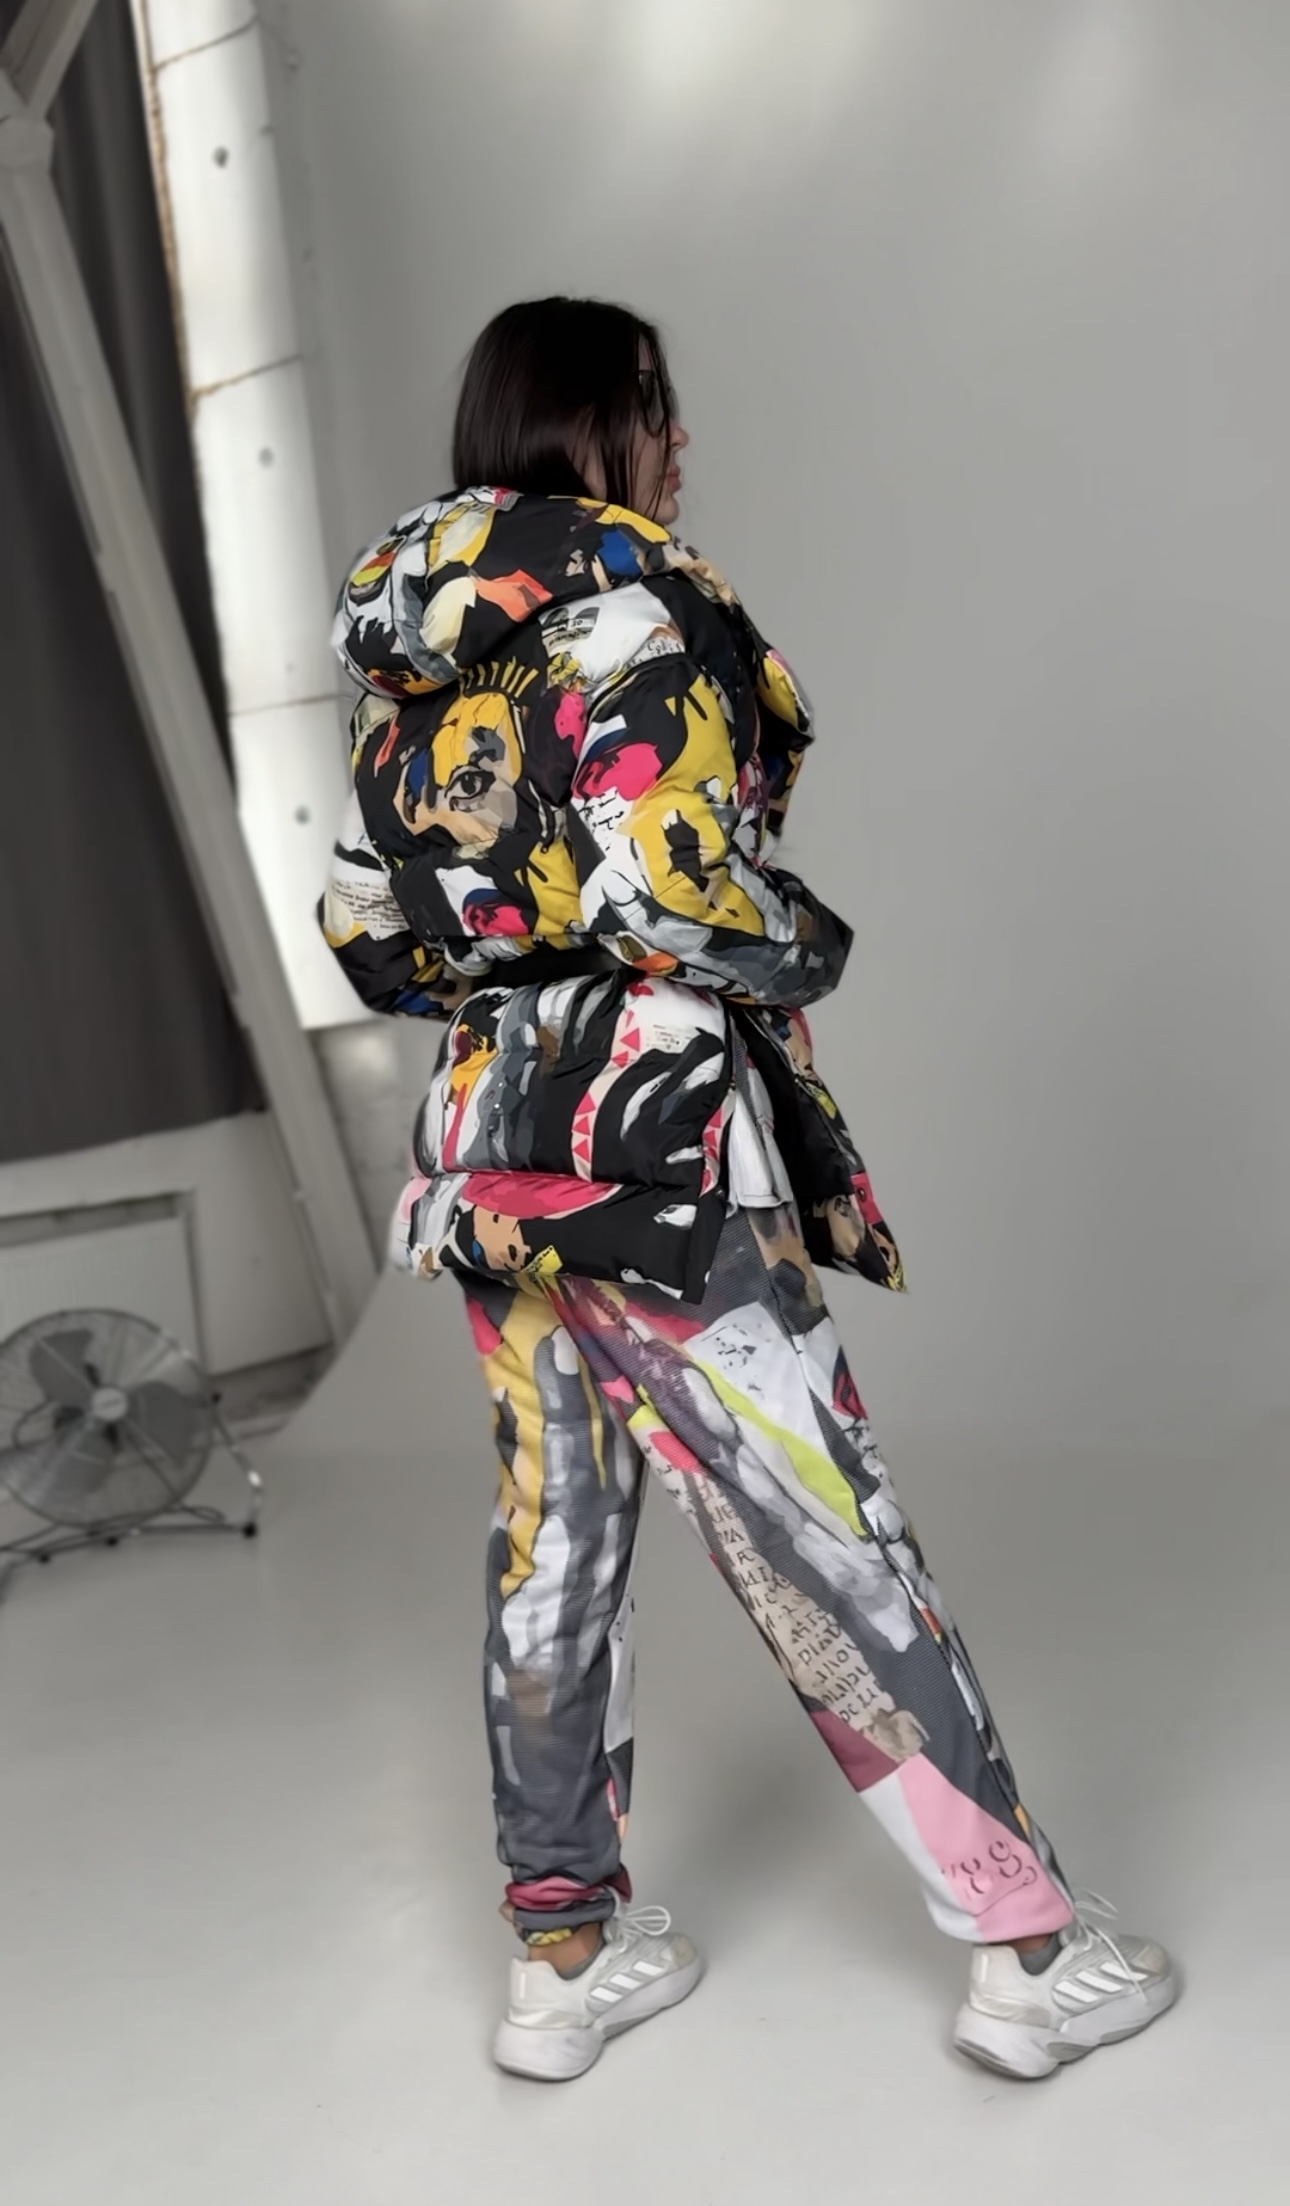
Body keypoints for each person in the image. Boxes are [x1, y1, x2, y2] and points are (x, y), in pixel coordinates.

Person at [321, 295, 1177, 2084]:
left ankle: (562, 1956)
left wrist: (511, 950)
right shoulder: (637, 612)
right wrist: (807, 940)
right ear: (596, 421)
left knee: (553, 1550)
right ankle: (1027, 1950)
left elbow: (371, 934)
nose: (681, 439)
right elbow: (672, 896)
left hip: (490, 1150)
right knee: (827, 1533)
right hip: (657, 1150)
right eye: (659, 405)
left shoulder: (403, 659)